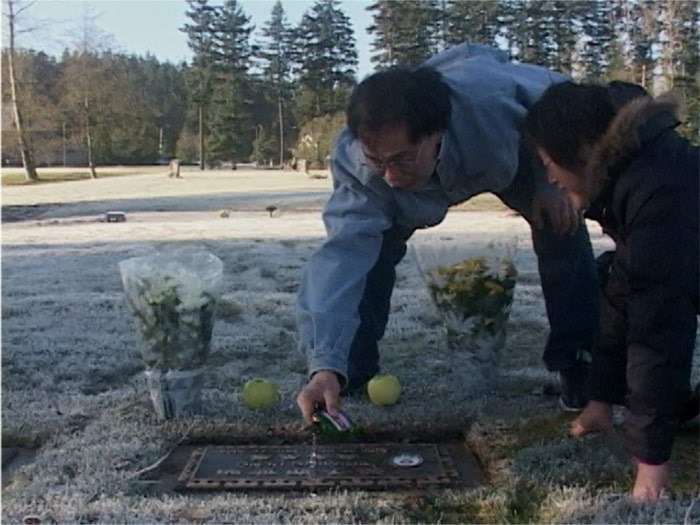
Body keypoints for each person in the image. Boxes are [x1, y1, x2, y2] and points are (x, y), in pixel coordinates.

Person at [296, 43, 600, 424]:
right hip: (421, 185)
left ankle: (579, 359)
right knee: (369, 256)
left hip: (513, 152)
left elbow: (565, 100)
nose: (390, 175)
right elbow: (339, 261)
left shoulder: (489, 97)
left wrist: (549, 179)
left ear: (436, 133)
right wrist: (324, 364)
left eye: (402, 159)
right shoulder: (361, 170)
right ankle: (348, 370)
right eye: (379, 161)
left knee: (560, 223)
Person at [525, 80, 699, 501]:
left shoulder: (658, 187)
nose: (548, 175)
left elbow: (658, 330)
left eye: (549, 161)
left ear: (584, 147)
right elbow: (623, 298)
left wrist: (651, 463)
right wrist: (601, 399)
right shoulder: (636, 177)